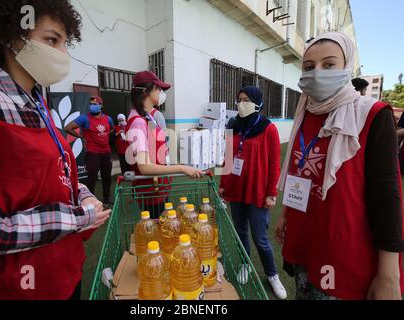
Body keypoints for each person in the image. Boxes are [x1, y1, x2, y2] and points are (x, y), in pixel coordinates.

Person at [0, 0, 110, 300]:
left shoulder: (38, 103)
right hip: (17, 289)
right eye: (51, 40)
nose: (62, 54)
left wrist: (85, 196)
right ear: (9, 35)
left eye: (65, 43)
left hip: (64, 274)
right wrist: (75, 219)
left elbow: (60, 176)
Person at [275, 31, 403, 300]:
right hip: (305, 237)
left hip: (344, 250)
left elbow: (387, 197)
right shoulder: (304, 113)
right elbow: (299, 171)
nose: (317, 73)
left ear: (346, 67)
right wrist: (287, 214)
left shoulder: (371, 115)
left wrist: (390, 273)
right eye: (309, 67)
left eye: (329, 64)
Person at [218, 86, 287, 300]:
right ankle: (245, 265)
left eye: (246, 99)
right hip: (236, 191)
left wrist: (271, 193)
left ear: (257, 102)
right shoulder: (233, 126)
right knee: (240, 234)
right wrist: (223, 184)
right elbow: (228, 158)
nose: (241, 103)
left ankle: (272, 275)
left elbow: (275, 163)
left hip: (257, 192)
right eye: (239, 99)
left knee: (260, 238)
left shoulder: (269, 128)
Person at [126, 71, 202, 218]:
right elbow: (145, 167)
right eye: (158, 89)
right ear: (145, 91)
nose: (161, 93)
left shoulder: (148, 117)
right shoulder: (138, 122)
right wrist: (181, 167)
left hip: (158, 186)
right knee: (157, 229)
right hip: (151, 191)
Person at [64, 96, 114, 204]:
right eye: (91, 104)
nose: (92, 106)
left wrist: (105, 137)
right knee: (92, 178)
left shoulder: (108, 119)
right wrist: (81, 136)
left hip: (106, 152)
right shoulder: (84, 118)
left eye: (95, 104)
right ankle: (89, 201)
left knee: (107, 177)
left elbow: (112, 129)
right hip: (93, 152)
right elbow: (67, 128)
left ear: (101, 106)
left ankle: (107, 199)